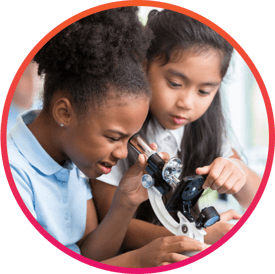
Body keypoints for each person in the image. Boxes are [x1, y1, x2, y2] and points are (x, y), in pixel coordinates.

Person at [7, 8, 207, 267]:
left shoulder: (72, 157)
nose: (123, 153)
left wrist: (125, 202)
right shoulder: (13, 170)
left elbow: (90, 255)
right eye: (114, 137)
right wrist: (138, 260)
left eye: (128, 139)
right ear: (64, 113)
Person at [92, 9, 262, 251]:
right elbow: (115, 227)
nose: (187, 103)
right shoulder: (116, 131)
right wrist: (197, 236)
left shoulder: (206, 127)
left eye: (204, 91)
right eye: (175, 84)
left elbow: (255, 197)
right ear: (143, 65)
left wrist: (239, 172)